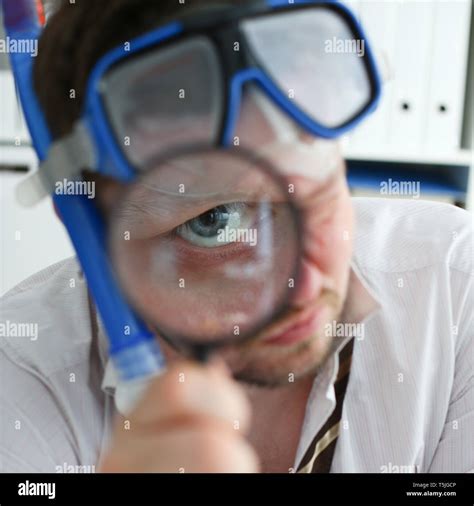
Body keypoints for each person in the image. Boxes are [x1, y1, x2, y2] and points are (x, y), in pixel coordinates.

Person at [0, 0, 472, 474]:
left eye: (323, 186)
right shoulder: (17, 386)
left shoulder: (455, 290)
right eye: (214, 222)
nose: (307, 287)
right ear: (87, 228)